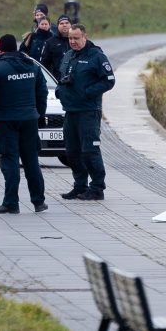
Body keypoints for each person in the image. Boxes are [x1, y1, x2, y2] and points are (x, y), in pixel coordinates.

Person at [0, 34, 48, 214]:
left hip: (6, 121)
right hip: (29, 120)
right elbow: (42, 93)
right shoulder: (33, 67)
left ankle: (11, 203)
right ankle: (38, 202)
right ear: (16, 47)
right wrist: (40, 115)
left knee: (10, 160)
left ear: (0, 49)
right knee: (31, 161)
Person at [56, 24, 115, 201]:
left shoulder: (96, 56)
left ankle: (97, 188)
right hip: (70, 110)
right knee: (72, 152)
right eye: (70, 39)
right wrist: (60, 90)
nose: (72, 42)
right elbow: (62, 76)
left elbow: (109, 81)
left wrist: (88, 92)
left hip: (89, 111)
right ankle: (79, 186)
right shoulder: (68, 55)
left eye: (76, 38)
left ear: (84, 37)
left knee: (90, 150)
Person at [40, 15, 72, 79]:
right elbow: (44, 65)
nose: (64, 25)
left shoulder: (77, 39)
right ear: (58, 26)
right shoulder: (50, 42)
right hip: (58, 80)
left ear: (71, 25)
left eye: (67, 23)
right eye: (61, 23)